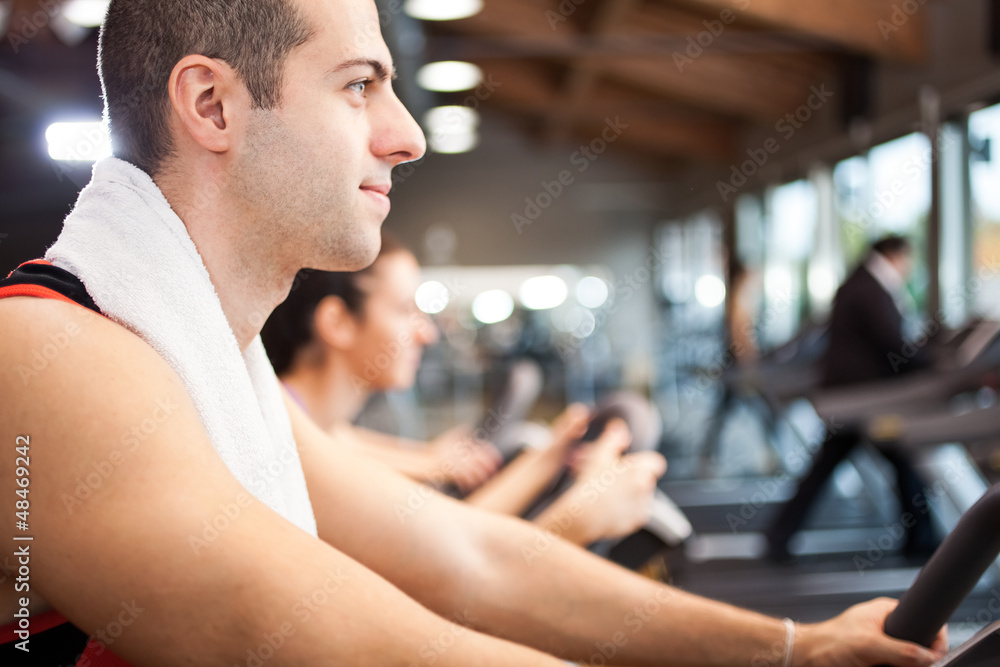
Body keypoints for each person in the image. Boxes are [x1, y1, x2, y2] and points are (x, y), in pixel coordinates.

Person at [0, 1, 946, 664]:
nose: (406, 135)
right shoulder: (51, 358)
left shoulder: (217, 369)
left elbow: (468, 561)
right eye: (359, 84)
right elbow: (329, 641)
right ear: (212, 105)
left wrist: (795, 648)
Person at [260, 233, 666, 545]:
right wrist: (578, 517)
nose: (427, 333)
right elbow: (445, 548)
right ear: (338, 323)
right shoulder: (283, 437)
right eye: (405, 311)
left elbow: (346, 443)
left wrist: (434, 458)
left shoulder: (315, 423)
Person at [766, 235, 935, 559]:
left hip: (854, 398)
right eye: (907, 260)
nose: (908, 268)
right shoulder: (870, 289)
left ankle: (780, 535)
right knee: (896, 463)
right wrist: (929, 363)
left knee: (866, 464)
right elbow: (891, 343)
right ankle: (921, 540)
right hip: (860, 400)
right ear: (895, 255)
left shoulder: (858, 283)